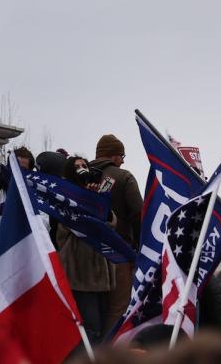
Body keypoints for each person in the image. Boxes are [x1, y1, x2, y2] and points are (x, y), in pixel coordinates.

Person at [55, 163, 115, 346]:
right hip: (79, 274)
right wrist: (87, 201)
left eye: (85, 165)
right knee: (90, 326)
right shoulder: (66, 197)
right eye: (78, 166)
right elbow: (72, 227)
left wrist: (100, 201)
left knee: (100, 324)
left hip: (100, 275)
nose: (83, 169)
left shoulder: (94, 197)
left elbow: (111, 225)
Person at [89, 133, 143, 329]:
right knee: (117, 308)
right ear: (113, 156)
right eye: (122, 156)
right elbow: (139, 214)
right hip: (118, 254)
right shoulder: (124, 177)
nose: (122, 161)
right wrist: (139, 246)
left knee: (91, 309)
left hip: (86, 256)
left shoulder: (79, 174)